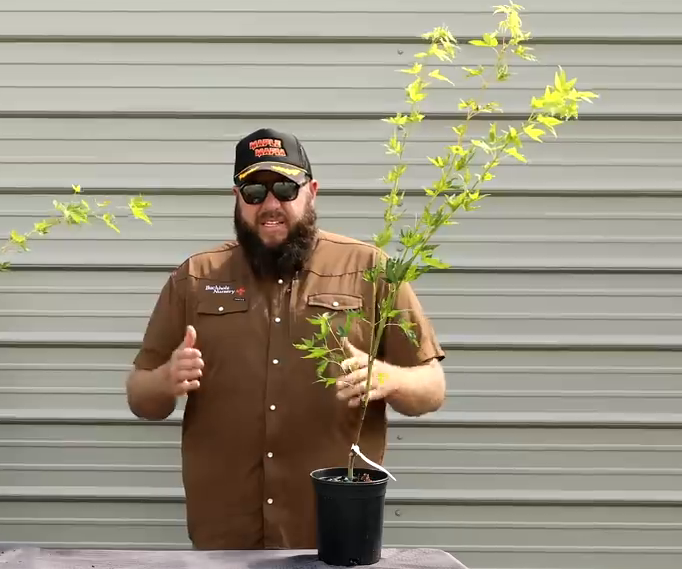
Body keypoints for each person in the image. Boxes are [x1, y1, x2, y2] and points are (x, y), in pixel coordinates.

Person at [124, 128, 447, 550]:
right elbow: (139, 394)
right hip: (225, 534)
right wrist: (167, 379)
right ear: (237, 198)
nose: (270, 204)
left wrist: (388, 379)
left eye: (285, 188)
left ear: (311, 192)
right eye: (255, 191)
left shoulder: (371, 268)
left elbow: (432, 387)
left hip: (334, 530)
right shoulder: (197, 277)